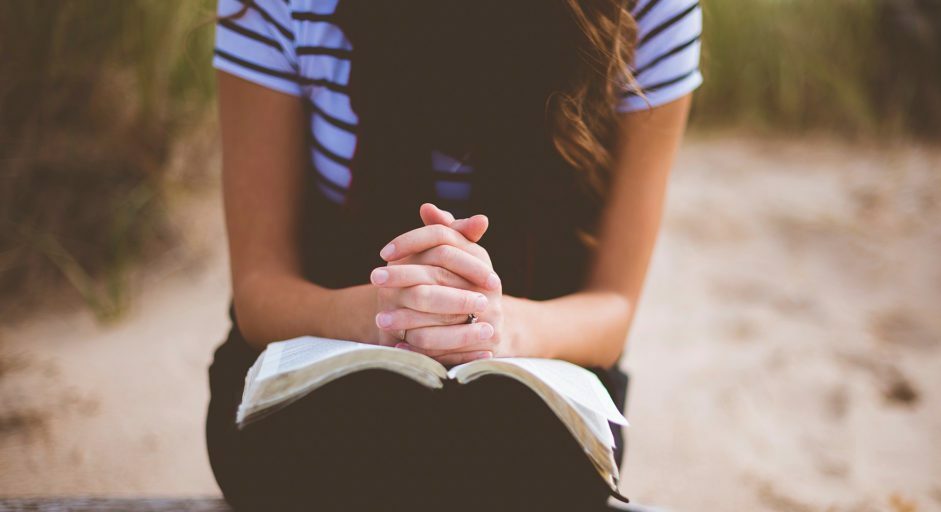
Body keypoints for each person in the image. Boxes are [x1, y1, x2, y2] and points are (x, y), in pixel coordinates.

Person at [205, 0, 701, 509]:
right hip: (321, 356)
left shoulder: (650, 8)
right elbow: (259, 288)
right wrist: (385, 318)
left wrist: (493, 327)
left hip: (538, 373)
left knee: (521, 467)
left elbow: (613, 305)